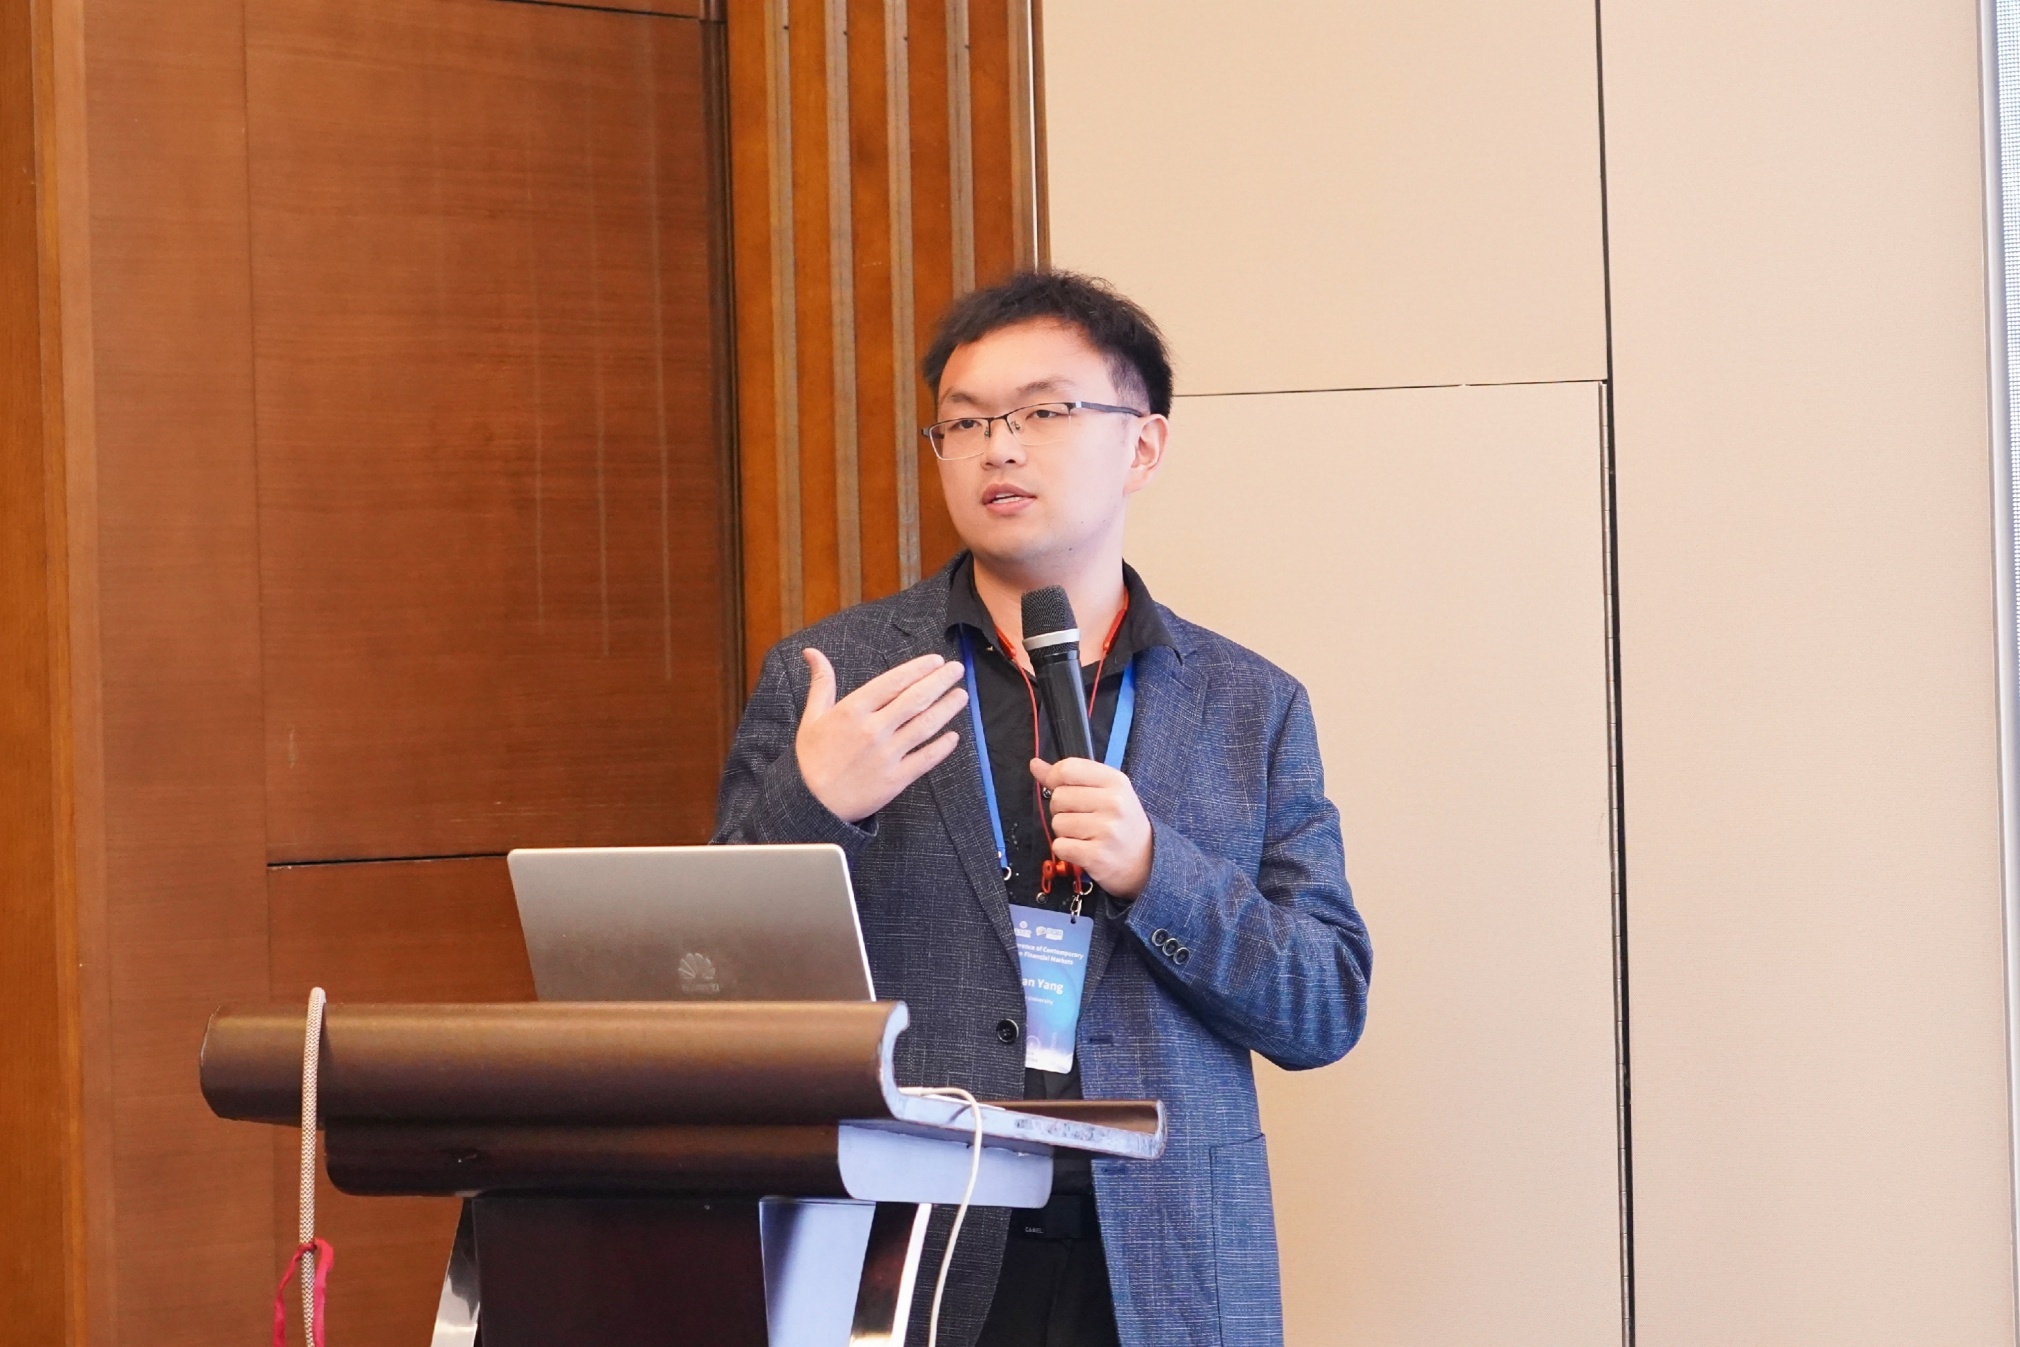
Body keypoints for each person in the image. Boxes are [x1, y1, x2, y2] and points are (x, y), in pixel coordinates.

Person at [713, 270, 1371, 1347]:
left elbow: (1322, 1007)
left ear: (1143, 446)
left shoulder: (1249, 705)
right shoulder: (832, 677)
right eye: (965, 423)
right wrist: (815, 803)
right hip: (906, 1246)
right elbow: (711, 979)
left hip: (1162, 1262)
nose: (999, 449)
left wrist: (1158, 870)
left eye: (1044, 412)